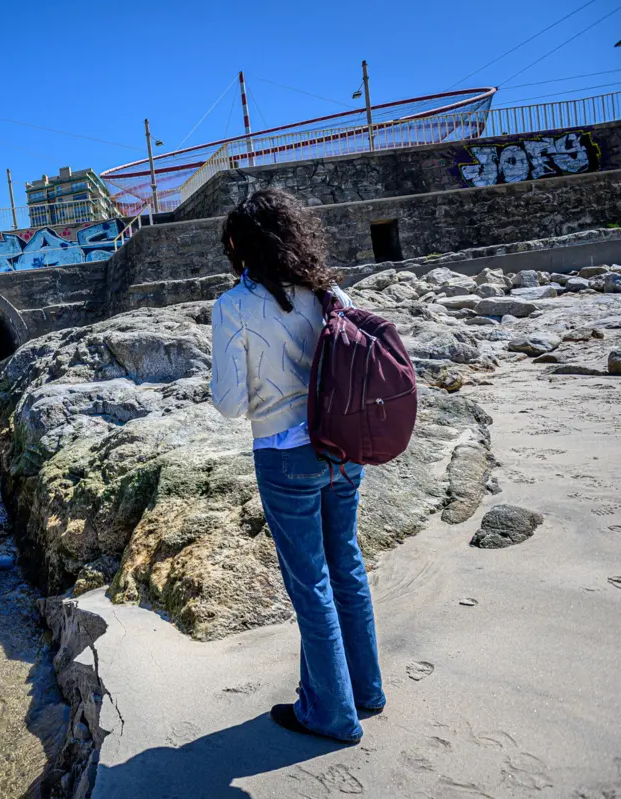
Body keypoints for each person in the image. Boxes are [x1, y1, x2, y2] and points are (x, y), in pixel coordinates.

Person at [210, 187, 385, 744]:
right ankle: (367, 691)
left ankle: (330, 714)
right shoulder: (329, 290)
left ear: (237, 245)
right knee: (347, 566)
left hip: (286, 458)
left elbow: (232, 403)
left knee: (310, 584)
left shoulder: (234, 306)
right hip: (344, 447)